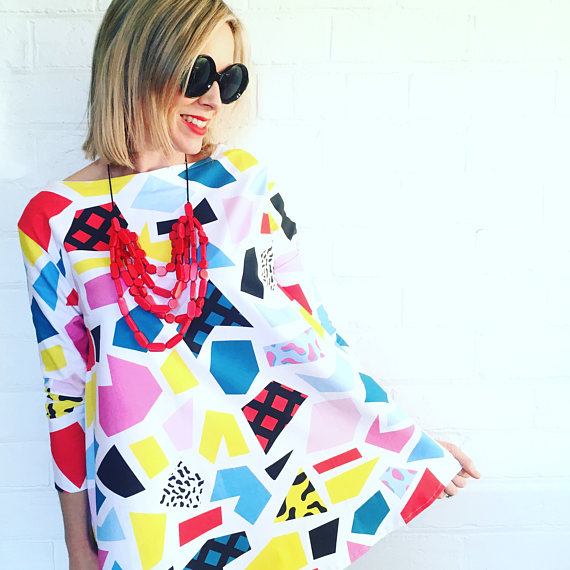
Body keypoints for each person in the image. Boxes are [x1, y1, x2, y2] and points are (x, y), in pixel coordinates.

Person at [18, 1, 480, 569]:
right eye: (198, 74)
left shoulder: (244, 184)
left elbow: (310, 333)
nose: (214, 99)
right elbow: (64, 391)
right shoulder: (54, 219)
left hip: (258, 486)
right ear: (137, 60)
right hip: (140, 509)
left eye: (229, 80)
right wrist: (78, 544)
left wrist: (402, 445)